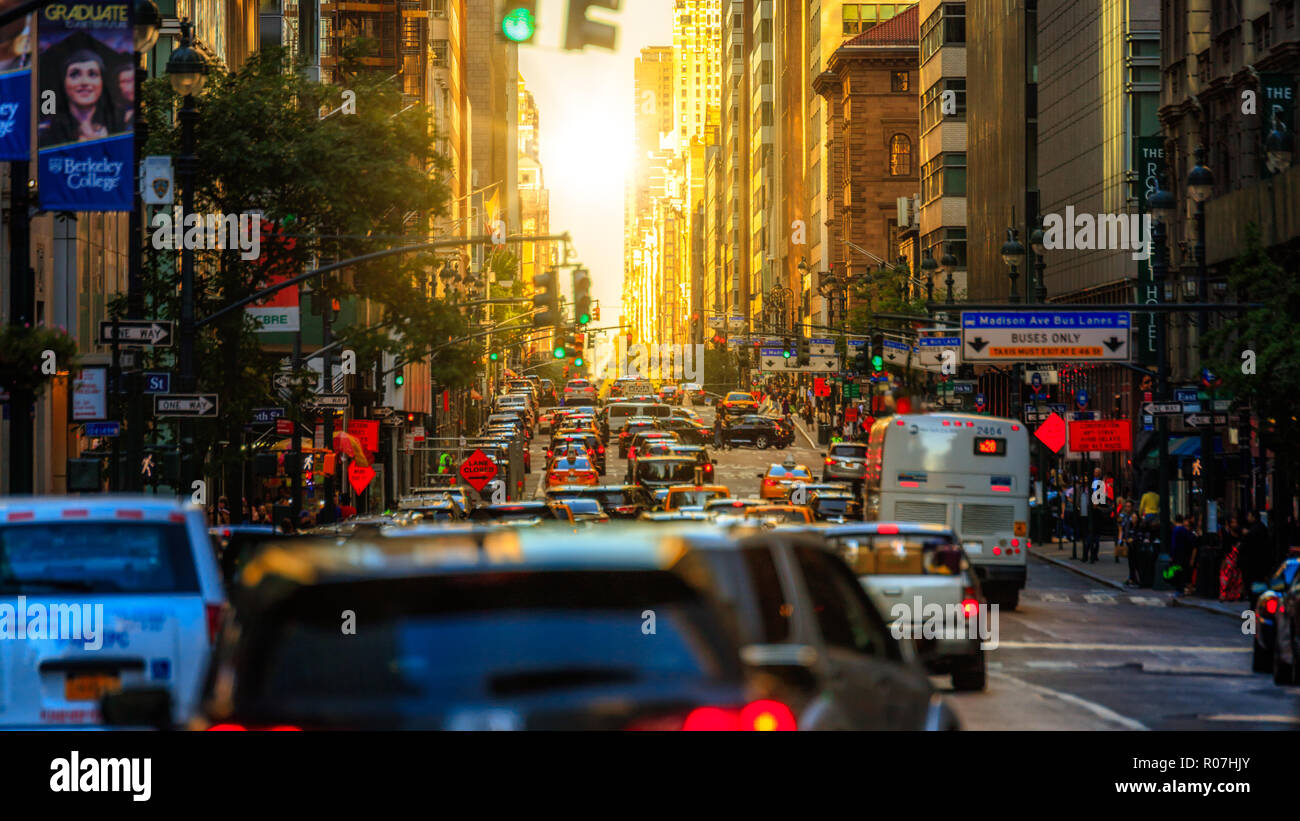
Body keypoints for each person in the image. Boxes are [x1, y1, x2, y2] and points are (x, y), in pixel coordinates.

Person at [38, 50, 120, 147]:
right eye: (75, 74)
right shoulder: (46, 133)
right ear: (64, 83)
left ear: (102, 83)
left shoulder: (119, 128)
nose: (84, 82)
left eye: (92, 74)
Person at [1218, 516, 1244, 601]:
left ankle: (1234, 595)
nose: (1234, 524)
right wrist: (1224, 560)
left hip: (1238, 559)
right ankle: (1224, 594)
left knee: (1236, 578)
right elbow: (1225, 548)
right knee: (1226, 577)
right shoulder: (1227, 535)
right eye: (1232, 522)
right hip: (1229, 559)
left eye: (1235, 522)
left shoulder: (1241, 535)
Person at [1170, 514, 1195, 595]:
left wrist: (1172, 555)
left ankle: (1179, 589)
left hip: (1178, 554)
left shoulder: (1176, 530)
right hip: (1185, 554)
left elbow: (1174, 544)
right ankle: (1182, 588)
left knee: (1178, 572)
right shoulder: (1185, 530)